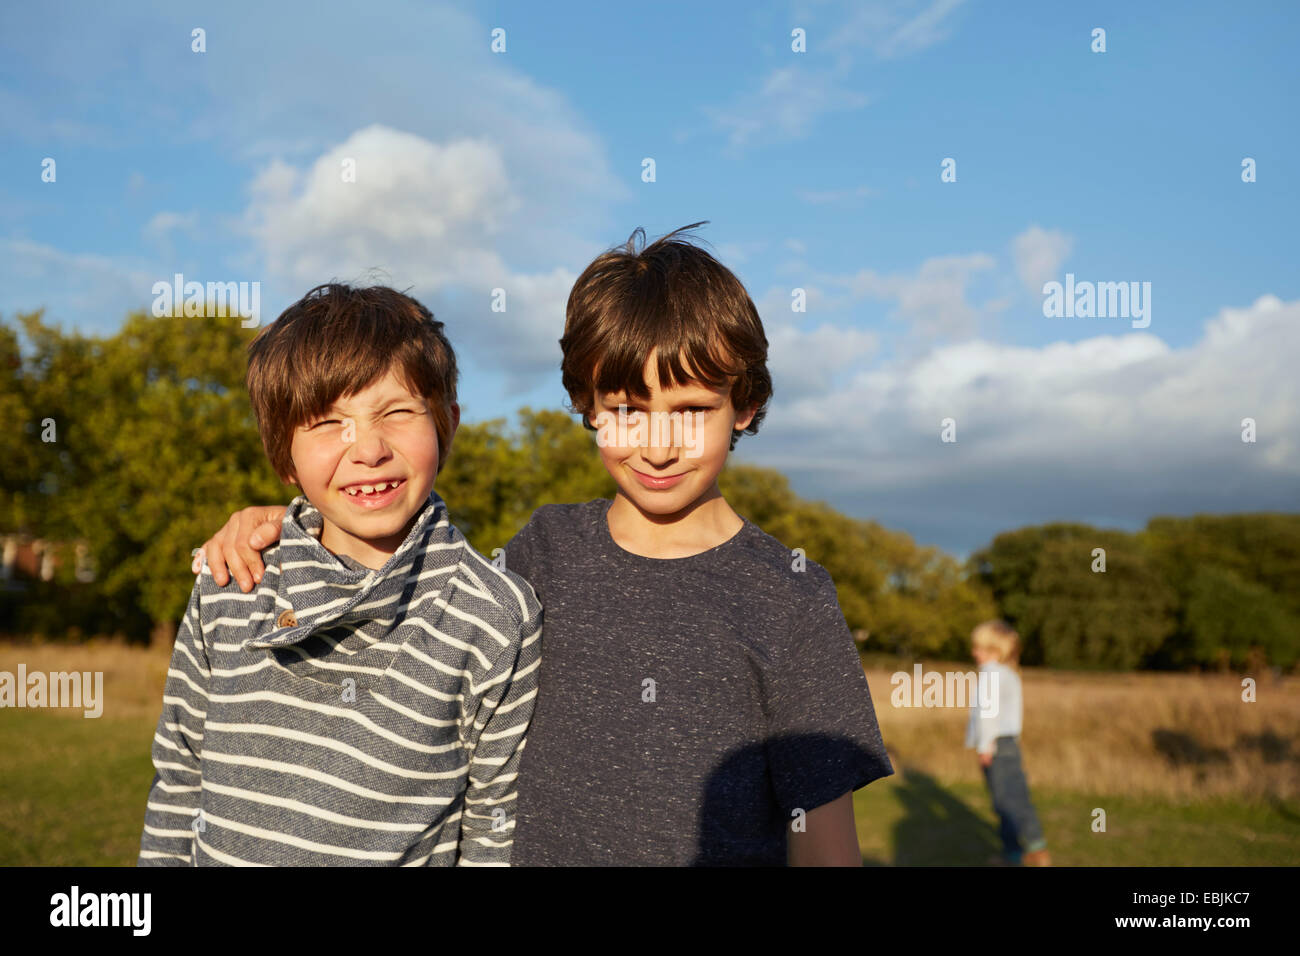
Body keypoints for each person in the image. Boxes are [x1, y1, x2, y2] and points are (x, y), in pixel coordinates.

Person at [197, 224, 893, 865]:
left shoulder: (791, 595)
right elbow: (408, 582)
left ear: (743, 405)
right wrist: (283, 522)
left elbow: (826, 845)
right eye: (625, 409)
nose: (657, 444)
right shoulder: (544, 550)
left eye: (691, 410)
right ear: (586, 404)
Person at [137, 283, 541, 866]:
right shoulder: (230, 583)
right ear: (284, 455)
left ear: (447, 425)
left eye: (397, 411)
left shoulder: (496, 618)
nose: (368, 448)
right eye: (327, 422)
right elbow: (178, 782)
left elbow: (491, 831)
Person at [966, 619, 1051, 866]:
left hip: (997, 746)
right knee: (1012, 798)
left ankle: (1027, 851)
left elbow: (988, 715)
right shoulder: (1007, 674)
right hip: (1006, 744)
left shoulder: (992, 674)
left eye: (979, 648)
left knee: (1007, 801)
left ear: (995, 650)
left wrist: (984, 747)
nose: (974, 653)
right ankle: (1022, 851)